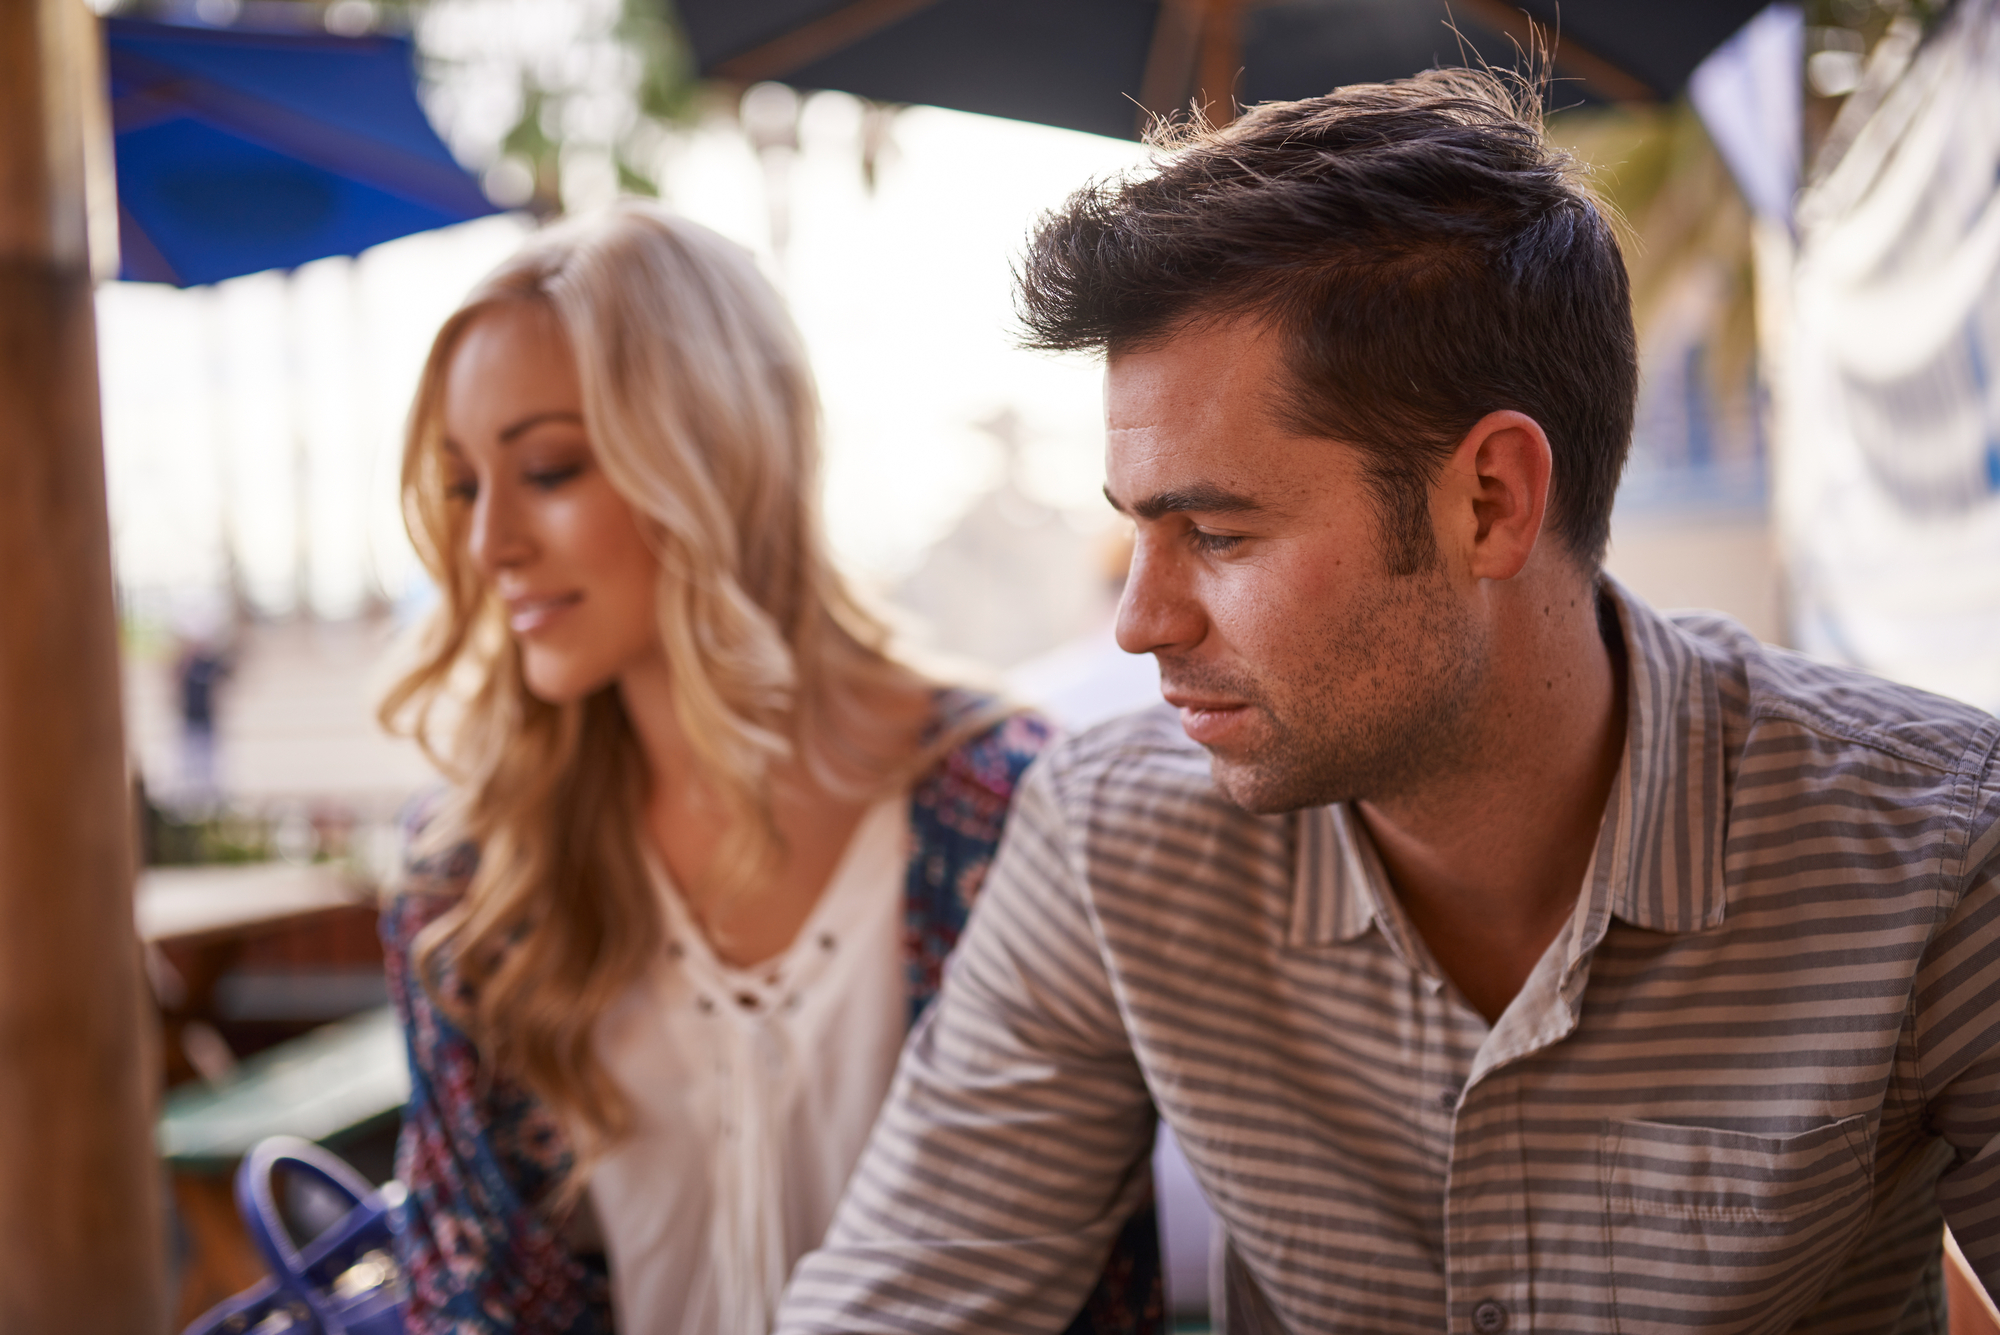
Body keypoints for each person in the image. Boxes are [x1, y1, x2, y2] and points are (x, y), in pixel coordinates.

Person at [774, 70, 2000, 1334]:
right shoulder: (1110, 843)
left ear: (1489, 503)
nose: (1140, 622)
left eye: (1214, 531)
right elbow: (911, 1292)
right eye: (1136, 531)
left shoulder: (1935, 854)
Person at [375, 204, 1160, 1335]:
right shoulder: (471, 877)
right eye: (459, 486)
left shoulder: (1008, 811)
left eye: (547, 469)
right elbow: (471, 1302)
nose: (488, 541)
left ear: (716, 455)